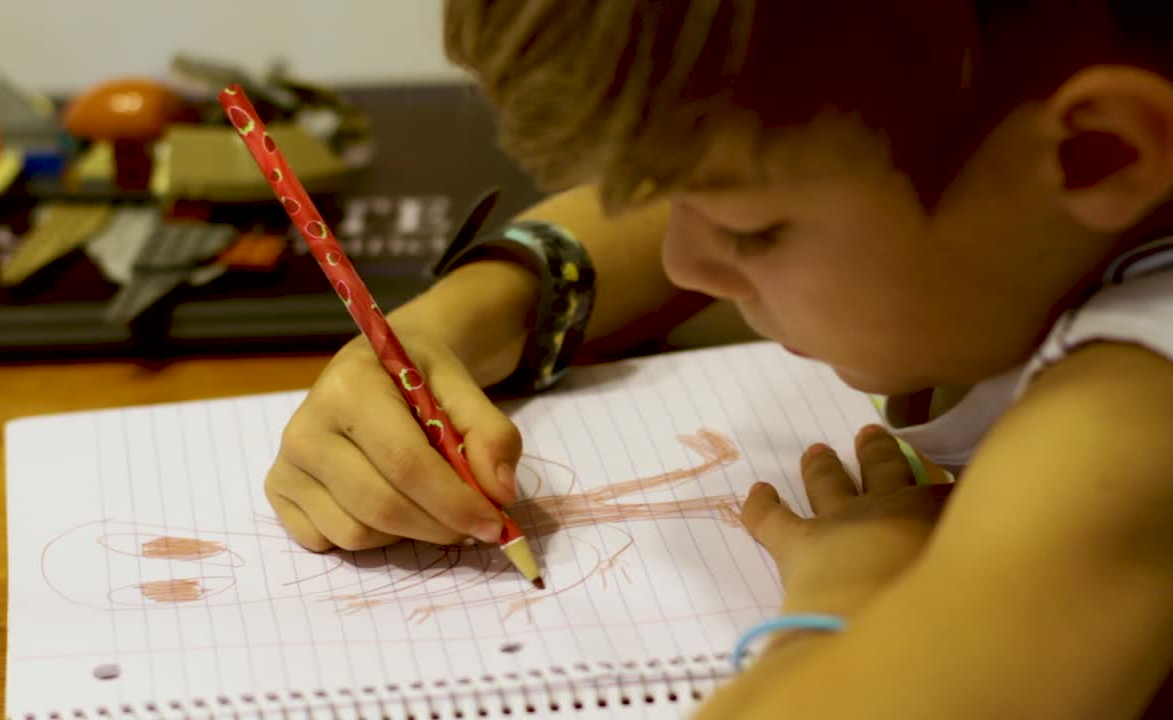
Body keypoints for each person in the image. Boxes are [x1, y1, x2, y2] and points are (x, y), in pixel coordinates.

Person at [265, 1, 1173, 717]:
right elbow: (685, 199)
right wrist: (454, 324)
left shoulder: (1133, 419)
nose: (682, 263)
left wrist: (848, 602)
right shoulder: (1003, 155)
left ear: (1099, 155)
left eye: (751, 231)